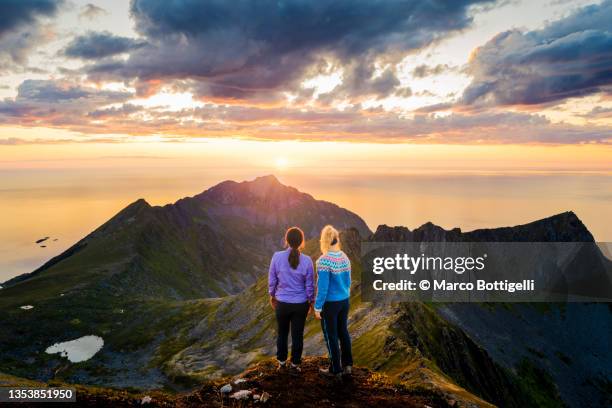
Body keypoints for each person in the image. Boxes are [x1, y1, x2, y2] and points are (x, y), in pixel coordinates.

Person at [268, 227, 314, 374]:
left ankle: (281, 364)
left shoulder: (276, 256)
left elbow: (272, 279)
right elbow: (310, 284)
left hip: (282, 303)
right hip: (300, 304)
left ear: (286, 240)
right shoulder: (307, 261)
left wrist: (272, 295)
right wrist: (311, 302)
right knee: (297, 335)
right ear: (301, 242)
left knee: (282, 333)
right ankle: (295, 365)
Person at [314, 225, 353, 379]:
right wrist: (344, 293)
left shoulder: (323, 261)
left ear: (324, 241)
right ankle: (348, 365)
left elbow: (322, 288)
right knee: (343, 332)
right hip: (345, 301)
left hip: (330, 304)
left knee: (331, 336)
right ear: (337, 239)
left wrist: (317, 307)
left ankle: (335, 370)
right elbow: (348, 281)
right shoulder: (344, 257)